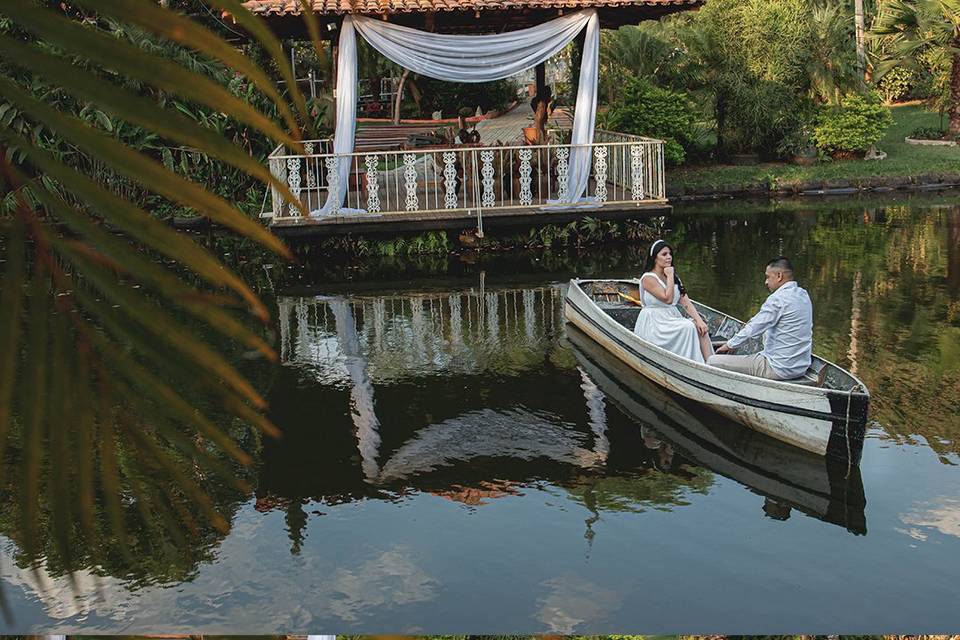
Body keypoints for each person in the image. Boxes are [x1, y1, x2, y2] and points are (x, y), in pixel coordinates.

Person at [708, 256, 813, 380]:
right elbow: (759, 321)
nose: (766, 282)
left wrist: (729, 345)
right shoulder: (803, 295)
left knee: (712, 361)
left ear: (779, 276)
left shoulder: (777, 299)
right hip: (801, 368)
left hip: (777, 368)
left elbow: (753, 329)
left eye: (768, 277)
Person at [634, 239, 714, 363]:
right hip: (654, 323)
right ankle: (689, 363)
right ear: (655, 257)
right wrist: (670, 275)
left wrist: (699, 321)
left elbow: (686, 302)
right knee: (688, 327)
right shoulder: (648, 278)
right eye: (664, 254)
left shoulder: (674, 278)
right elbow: (667, 299)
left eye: (670, 254)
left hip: (671, 318)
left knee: (698, 327)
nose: (669, 257)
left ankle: (710, 363)